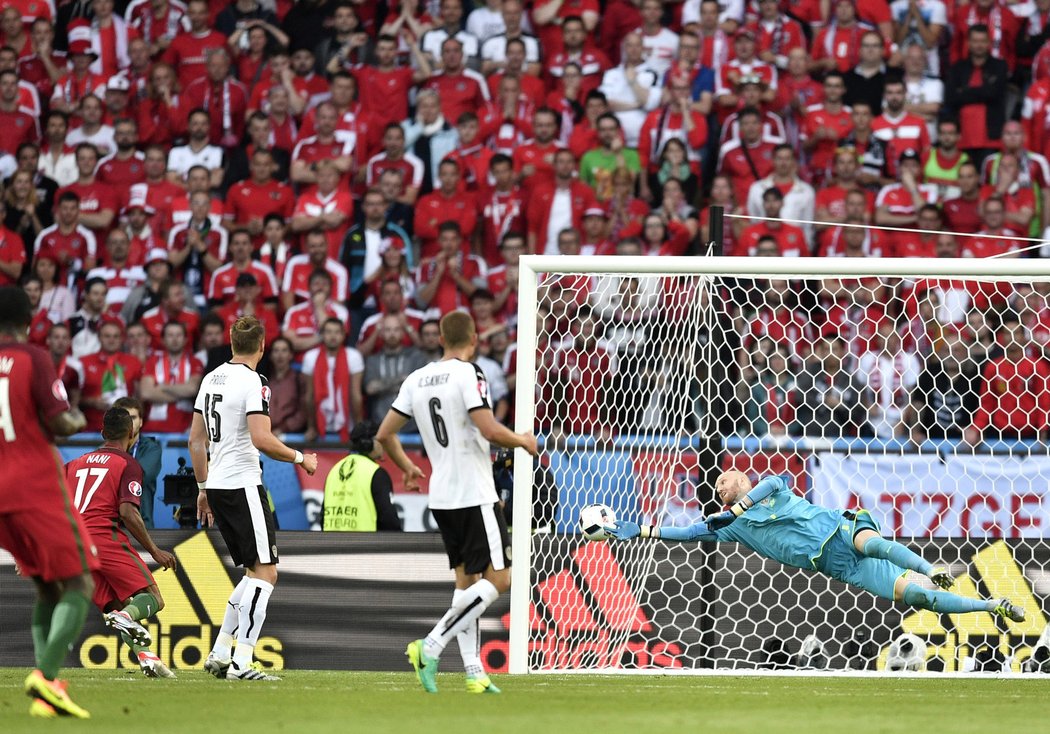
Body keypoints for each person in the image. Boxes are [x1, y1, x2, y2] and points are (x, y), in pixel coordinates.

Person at [606, 470, 1028, 624]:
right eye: (717, 487)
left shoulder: (768, 488)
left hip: (840, 531)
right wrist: (639, 530)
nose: (720, 487)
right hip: (841, 568)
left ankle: (928, 562)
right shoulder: (732, 528)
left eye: (725, 480)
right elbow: (688, 534)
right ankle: (995, 608)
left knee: (873, 542)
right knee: (921, 598)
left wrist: (741, 506)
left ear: (743, 483)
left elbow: (772, 483)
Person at [376, 310, 537, 694]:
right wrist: (523, 440)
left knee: (466, 584)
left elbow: (384, 434)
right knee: (500, 579)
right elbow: (487, 427)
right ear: (475, 338)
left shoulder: (416, 379)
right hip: (475, 492)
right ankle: (430, 645)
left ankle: (472, 670)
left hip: (443, 496)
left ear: (441, 339)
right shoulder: (469, 373)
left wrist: (408, 467)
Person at [191, 316, 319, 681]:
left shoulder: (210, 378)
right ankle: (242, 662)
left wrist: (203, 487)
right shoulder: (254, 382)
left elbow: (195, 440)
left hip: (217, 483)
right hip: (243, 483)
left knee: (252, 572)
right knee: (267, 572)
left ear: (232, 343)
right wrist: (301, 459)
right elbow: (262, 438)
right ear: (262, 346)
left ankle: (219, 653)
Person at [0, 286, 96, 719]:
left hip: (1, 489)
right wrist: (77, 415)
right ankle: (47, 674)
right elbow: (59, 421)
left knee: (46, 585)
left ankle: (46, 694)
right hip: (36, 484)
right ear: (29, 317)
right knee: (80, 582)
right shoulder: (33, 357)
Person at [64, 407, 178, 679]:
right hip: (103, 536)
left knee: (115, 605)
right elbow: (128, 512)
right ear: (131, 433)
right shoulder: (128, 464)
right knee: (153, 598)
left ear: (102, 433)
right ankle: (128, 619)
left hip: (74, 545)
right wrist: (155, 551)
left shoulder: (73, 464)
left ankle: (146, 658)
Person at [322, 421, 402, 531]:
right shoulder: (376, 473)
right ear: (369, 443)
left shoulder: (334, 470)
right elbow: (389, 520)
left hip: (331, 544)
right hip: (365, 545)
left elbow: (323, 517)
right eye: (380, 440)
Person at [114, 396, 163, 530]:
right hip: (112, 528)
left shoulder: (151, 449)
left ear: (141, 422)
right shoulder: (104, 449)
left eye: (134, 417)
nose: (129, 422)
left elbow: (139, 478)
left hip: (142, 527)